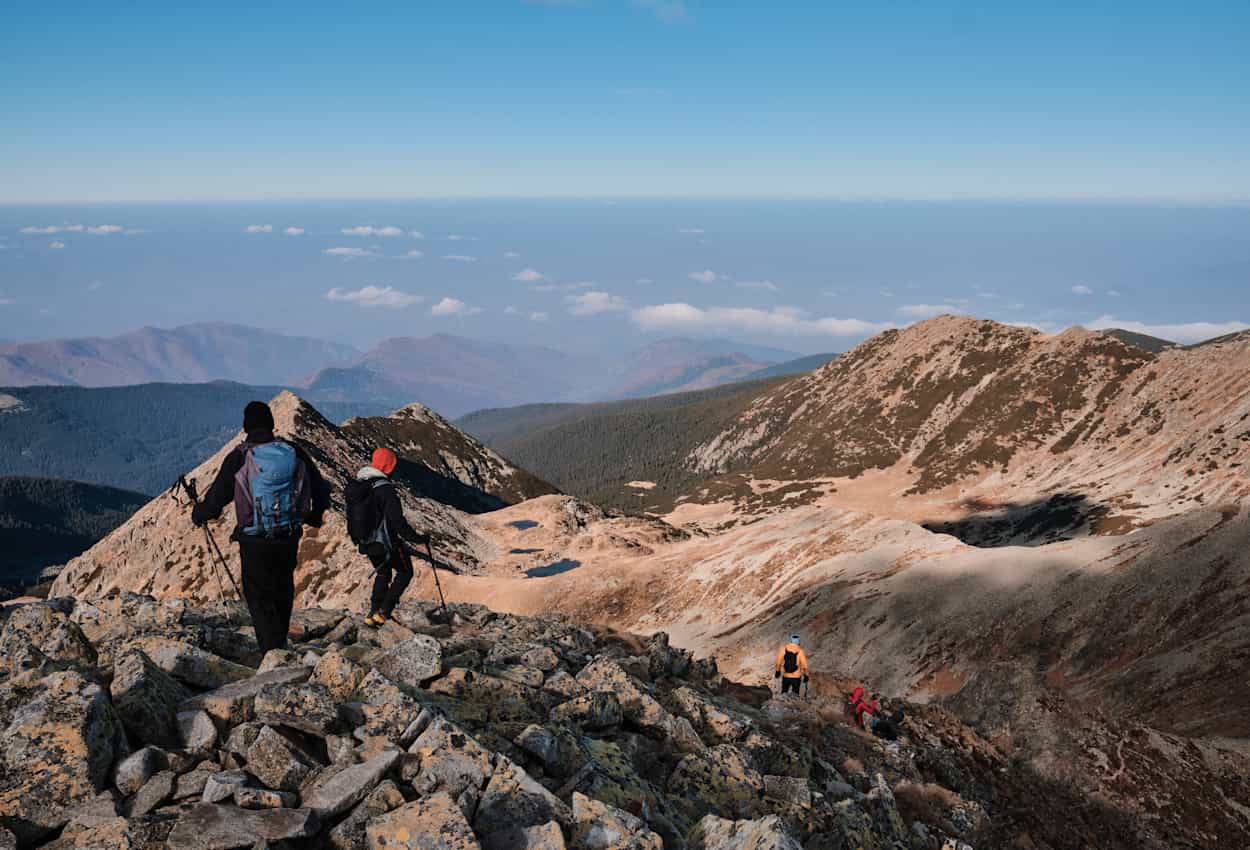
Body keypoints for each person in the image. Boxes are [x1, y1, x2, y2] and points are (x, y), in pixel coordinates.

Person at [192, 401, 329, 653]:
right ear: (272, 424)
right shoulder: (293, 451)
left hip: (254, 540)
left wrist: (200, 513)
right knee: (283, 587)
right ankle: (279, 643)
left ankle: (271, 653)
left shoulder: (240, 457)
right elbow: (322, 488)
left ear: (246, 427)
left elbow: (216, 499)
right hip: (288, 535)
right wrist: (314, 516)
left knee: (258, 595)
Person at [351, 447, 430, 626]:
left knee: (382, 573)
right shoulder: (385, 489)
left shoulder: (361, 485)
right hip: (386, 543)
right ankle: (384, 612)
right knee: (405, 572)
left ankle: (372, 613)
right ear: (388, 467)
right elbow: (397, 522)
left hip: (367, 542)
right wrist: (418, 539)